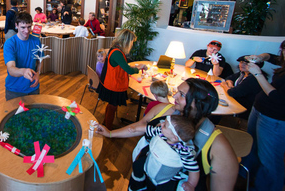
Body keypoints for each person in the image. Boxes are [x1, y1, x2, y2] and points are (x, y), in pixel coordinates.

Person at [95, 78, 238, 191]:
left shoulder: (219, 147)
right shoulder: (164, 109)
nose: (174, 96)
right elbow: (138, 127)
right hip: (142, 179)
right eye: (177, 91)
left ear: (198, 104)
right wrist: (110, 133)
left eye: (181, 95)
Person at [240, 40, 285, 191]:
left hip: (275, 119)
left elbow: (277, 98)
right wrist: (261, 57)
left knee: (270, 159)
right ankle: (246, 180)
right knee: (251, 146)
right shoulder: (283, 60)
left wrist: (258, 74)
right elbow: (274, 58)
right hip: (260, 110)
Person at [129, 115, 199, 191]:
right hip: (151, 162)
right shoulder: (161, 132)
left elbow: (194, 169)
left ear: (175, 137)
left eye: (165, 125)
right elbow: (148, 129)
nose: (161, 124)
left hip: (167, 178)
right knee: (137, 165)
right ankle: (139, 184)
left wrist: (191, 184)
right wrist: (135, 128)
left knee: (167, 188)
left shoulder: (184, 152)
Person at [96, 29, 146, 129]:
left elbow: (122, 66)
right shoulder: (117, 53)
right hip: (113, 85)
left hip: (110, 83)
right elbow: (129, 70)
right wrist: (139, 68)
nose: (131, 45)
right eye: (131, 42)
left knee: (111, 106)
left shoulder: (114, 49)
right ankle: (107, 129)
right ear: (127, 41)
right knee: (112, 107)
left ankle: (106, 123)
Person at [3, 12, 42, 101]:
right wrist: (23, 71)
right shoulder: (10, 43)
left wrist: (38, 73)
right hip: (14, 90)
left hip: (33, 88)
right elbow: (11, 68)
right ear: (16, 25)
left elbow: (40, 60)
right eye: (23, 27)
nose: (27, 31)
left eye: (29, 27)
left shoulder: (36, 41)